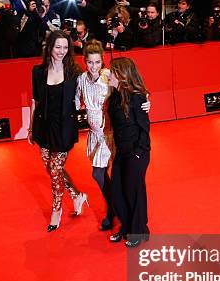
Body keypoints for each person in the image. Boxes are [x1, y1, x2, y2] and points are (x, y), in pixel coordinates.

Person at [76, 41, 151, 231]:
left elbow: (133, 86)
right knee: (100, 175)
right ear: (85, 62)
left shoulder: (108, 75)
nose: (94, 67)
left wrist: (147, 101)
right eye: (90, 62)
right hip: (95, 134)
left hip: (113, 134)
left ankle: (114, 213)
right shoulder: (81, 80)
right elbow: (76, 102)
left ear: (103, 62)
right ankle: (116, 209)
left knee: (122, 178)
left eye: (98, 62)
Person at [28, 30, 88, 232]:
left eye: (65, 47)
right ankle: (77, 195)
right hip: (43, 127)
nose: (61, 51)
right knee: (51, 168)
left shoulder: (74, 71)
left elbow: (92, 84)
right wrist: (30, 127)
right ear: (49, 48)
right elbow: (35, 100)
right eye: (58, 47)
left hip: (64, 128)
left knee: (55, 170)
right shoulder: (38, 71)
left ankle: (57, 209)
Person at [108, 57, 151, 248]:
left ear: (121, 75)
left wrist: (139, 152)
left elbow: (144, 127)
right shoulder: (115, 96)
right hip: (121, 151)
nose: (109, 74)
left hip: (136, 151)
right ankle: (127, 226)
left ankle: (139, 231)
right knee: (117, 190)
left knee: (134, 191)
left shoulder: (137, 97)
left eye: (112, 72)